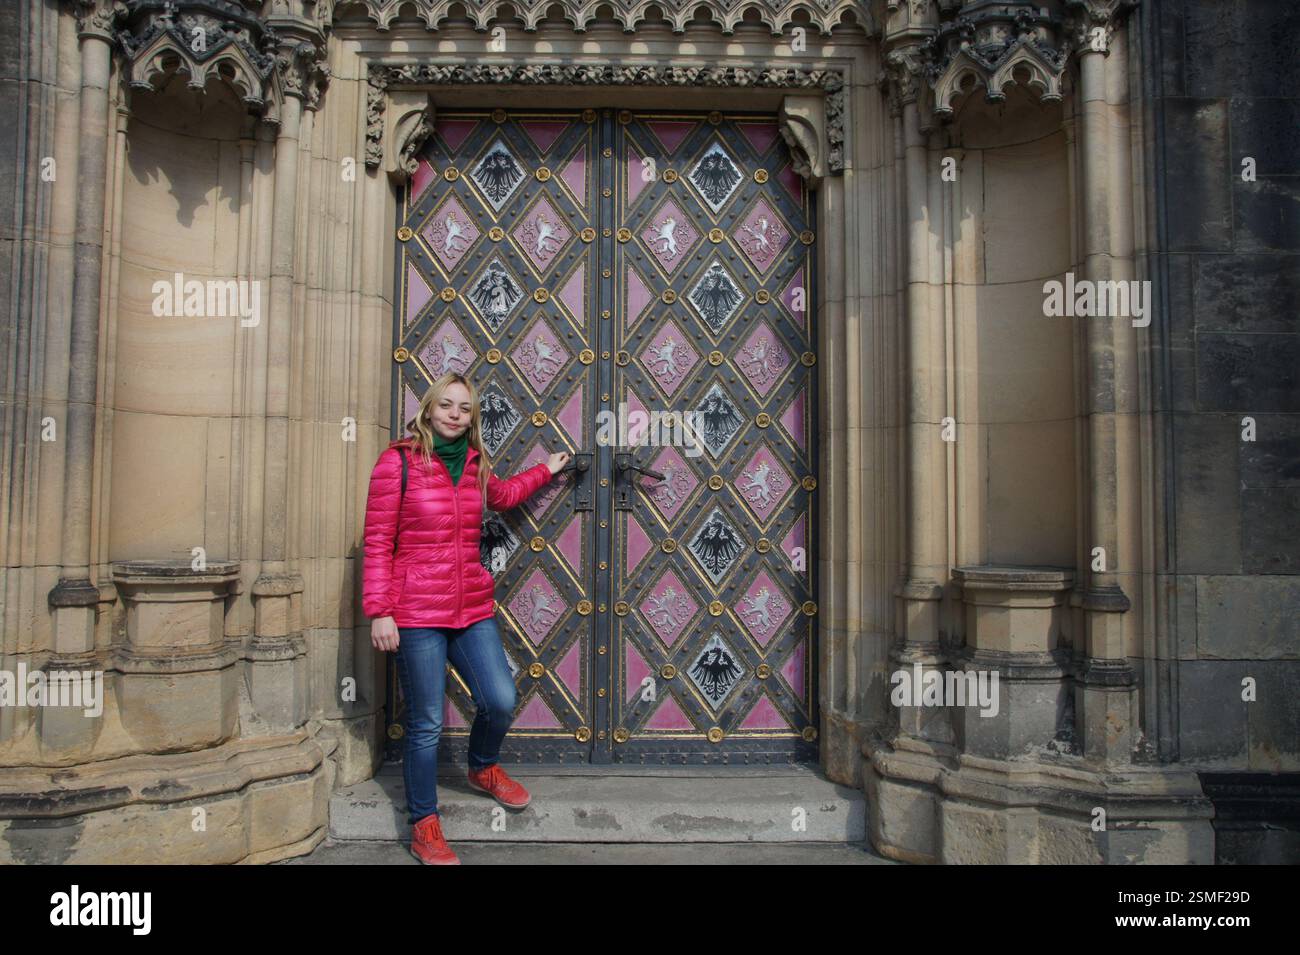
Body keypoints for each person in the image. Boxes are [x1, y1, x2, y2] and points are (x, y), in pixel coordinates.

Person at [362, 371, 570, 865]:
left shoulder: (475, 465)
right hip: (415, 613)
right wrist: (380, 612)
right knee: (426, 723)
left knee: (500, 699)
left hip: (470, 606)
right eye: (447, 405)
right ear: (428, 409)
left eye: (465, 408)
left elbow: (503, 497)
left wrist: (545, 470)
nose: (455, 414)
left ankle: (482, 767)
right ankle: (424, 824)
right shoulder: (399, 462)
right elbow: (376, 542)